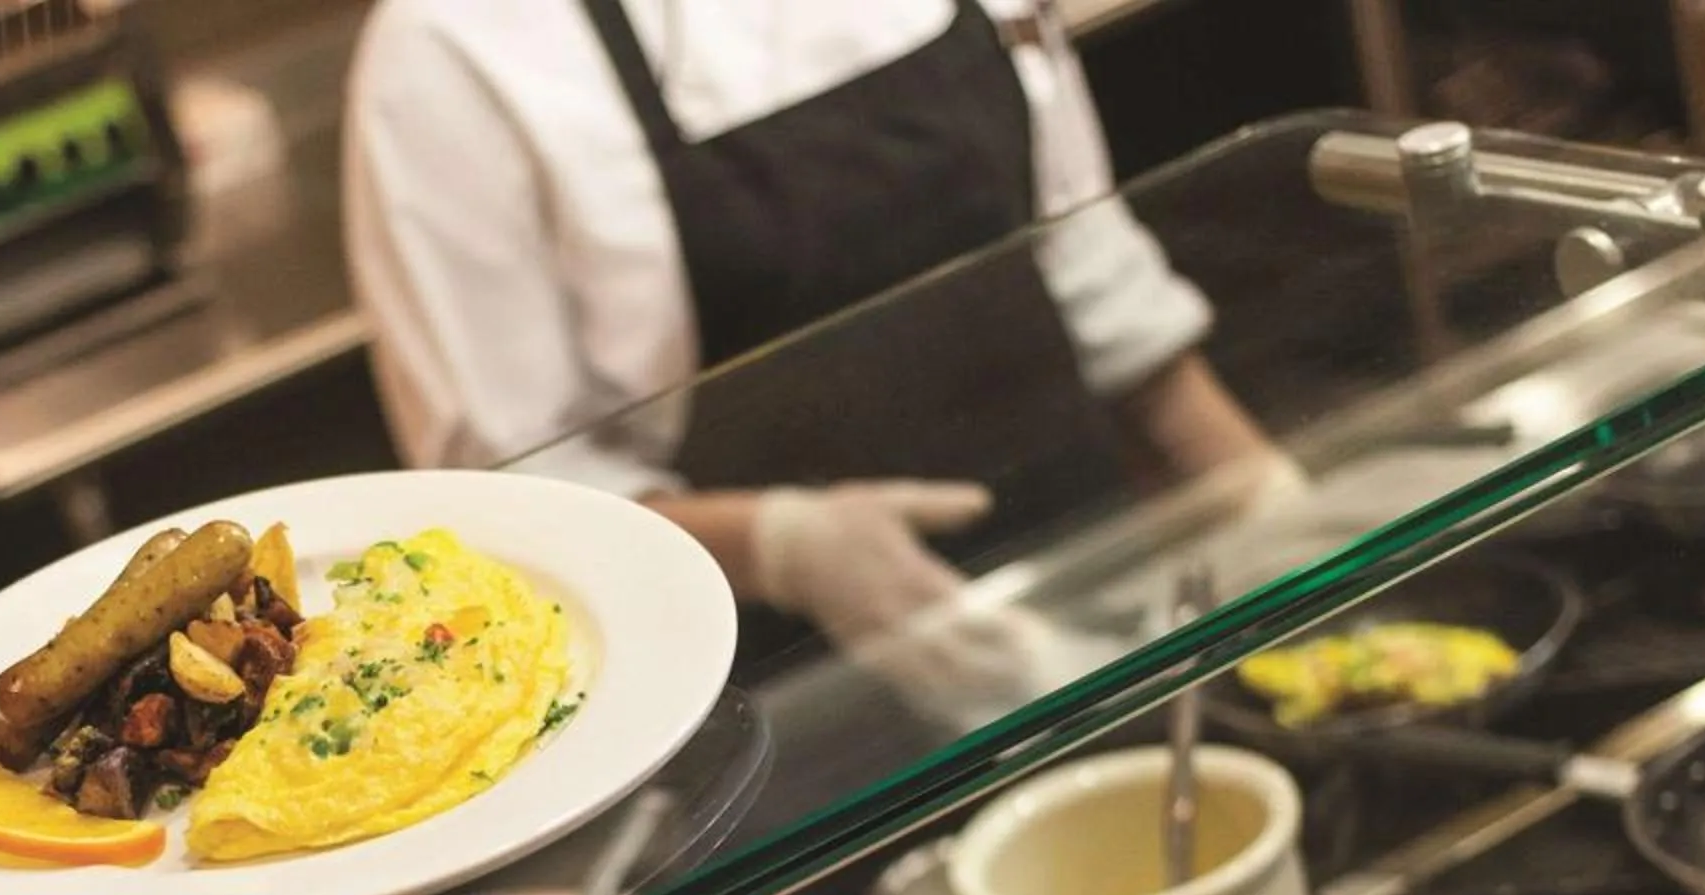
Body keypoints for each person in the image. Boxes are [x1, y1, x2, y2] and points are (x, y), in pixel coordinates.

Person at [341, 0, 1287, 700]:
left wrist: (1263, 494)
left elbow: (1079, 253)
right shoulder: (447, 52)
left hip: (1093, 590)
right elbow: (505, 495)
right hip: (777, 701)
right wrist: (784, 548)